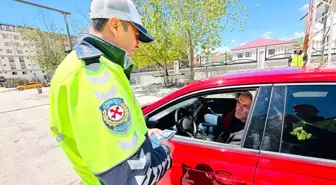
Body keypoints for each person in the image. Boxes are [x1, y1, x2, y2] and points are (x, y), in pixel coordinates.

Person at [49, 0, 174, 184]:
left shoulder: (78, 65)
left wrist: (145, 135)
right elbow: (133, 177)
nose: (138, 44)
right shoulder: (96, 75)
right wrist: (165, 151)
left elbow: (100, 139)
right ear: (115, 24)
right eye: (136, 34)